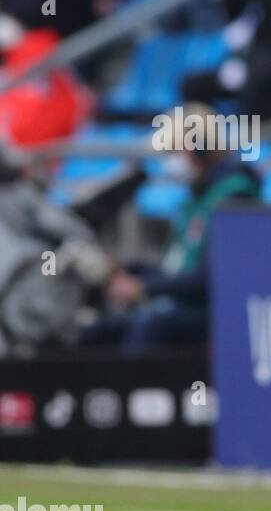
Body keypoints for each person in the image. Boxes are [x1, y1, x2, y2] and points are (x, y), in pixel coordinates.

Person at [81, 103, 260, 351]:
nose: (172, 158)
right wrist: (130, 270)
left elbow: (211, 279)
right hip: (179, 304)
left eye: (177, 149)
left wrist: (144, 287)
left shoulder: (234, 198)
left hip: (214, 312)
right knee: (96, 332)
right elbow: (176, 270)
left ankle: (137, 389)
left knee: (150, 324)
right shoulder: (195, 200)